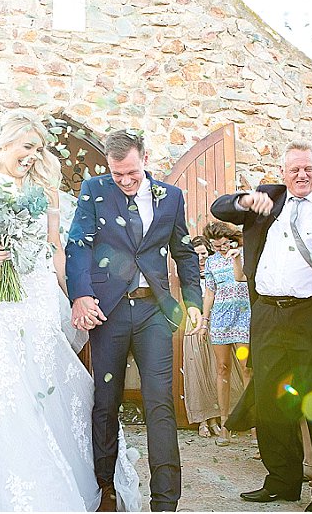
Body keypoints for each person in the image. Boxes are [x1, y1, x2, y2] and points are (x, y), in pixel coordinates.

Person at [0, 110, 140, 511]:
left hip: (35, 296)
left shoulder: (46, 193)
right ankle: (10, 491)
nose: (33, 156)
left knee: (44, 379)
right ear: (4, 143)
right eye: (27, 146)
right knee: (0, 385)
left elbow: (55, 250)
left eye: (38, 149)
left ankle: (73, 475)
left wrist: (77, 297)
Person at [211, 140, 312, 512]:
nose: (302, 175)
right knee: (271, 400)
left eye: (308, 169)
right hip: (267, 313)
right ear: (283, 173)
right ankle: (282, 481)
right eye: (295, 170)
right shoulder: (266, 199)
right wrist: (245, 200)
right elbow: (219, 207)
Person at [66, 129, 203, 513]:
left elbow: (184, 252)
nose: (125, 181)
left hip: (153, 312)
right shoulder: (94, 190)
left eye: (131, 173)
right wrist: (80, 295)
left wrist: (193, 301)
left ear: (145, 158)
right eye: (117, 174)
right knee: (106, 402)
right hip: (108, 312)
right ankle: (105, 491)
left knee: (160, 403)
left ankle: (165, 502)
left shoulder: (171, 197)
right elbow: (78, 244)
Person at [199, 222, 251, 447]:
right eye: (216, 246)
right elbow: (210, 293)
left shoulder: (243, 254)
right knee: (222, 368)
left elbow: (241, 278)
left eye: (223, 244)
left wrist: (235, 256)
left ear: (230, 240)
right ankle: (225, 425)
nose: (221, 248)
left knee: (247, 368)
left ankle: (255, 426)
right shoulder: (211, 262)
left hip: (243, 315)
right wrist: (204, 321)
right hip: (220, 319)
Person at [182, 236, 222, 438]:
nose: (201, 259)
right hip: (194, 323)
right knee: (197, 370)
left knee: (216, 369)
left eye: (204, 254)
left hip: (216, 321)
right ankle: (202, 421)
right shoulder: (188, 276)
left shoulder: (216, 272)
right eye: (196, 255)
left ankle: (215, 419)